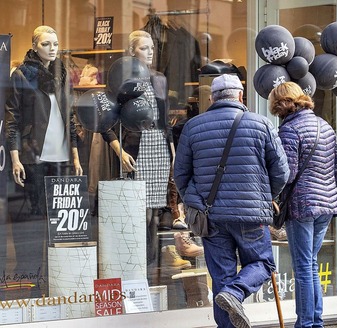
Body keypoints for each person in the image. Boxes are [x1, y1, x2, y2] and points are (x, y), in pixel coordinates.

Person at [174, 73, 290, 328]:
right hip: (251, 216)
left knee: (221, 278)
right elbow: (282, 172)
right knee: (263, 262)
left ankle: (230, 295)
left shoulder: (193, 126)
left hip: (211, 216)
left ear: (212, 98)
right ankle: (236, 293)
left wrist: (196, 202)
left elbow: (180, 175)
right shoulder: (261, 124)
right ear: (240, 95)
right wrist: (265, 196)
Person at [5, 25, 83, 297]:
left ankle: (56, 281)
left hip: (60, 157)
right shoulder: (23, 75)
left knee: (59, 224)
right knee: (35, 221)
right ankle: (28, 281)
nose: (53, 48)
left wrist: (74, 153)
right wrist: (15, 158)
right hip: (34, 157)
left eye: (56, 43)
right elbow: (12, 118)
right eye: (47, 44)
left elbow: (70, 115)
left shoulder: (61, 74)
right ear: (35, 46)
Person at [268, 81, 337, 328]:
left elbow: (287, 174)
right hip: (326, 204)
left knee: (303, 266)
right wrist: (325, 190)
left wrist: (272, 194)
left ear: (281, 106)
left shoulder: (289, 130)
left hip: (301, 206)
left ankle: (306, 323)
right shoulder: (325, 126)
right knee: (310, 263)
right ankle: (315, 321)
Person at [101, 30, 173, 265]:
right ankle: (134, 260)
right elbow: (104, 120)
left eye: (152, 47)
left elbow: (165, 118)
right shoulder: (121, 80)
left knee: (154, 213)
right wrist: (118, 150)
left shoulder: (159, 78)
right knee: (137, 210)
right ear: (132, 51)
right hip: (134, 150)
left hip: (158, 147)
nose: (150, 52)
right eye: (144, 48)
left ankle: (150, 262)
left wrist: (171, 149)